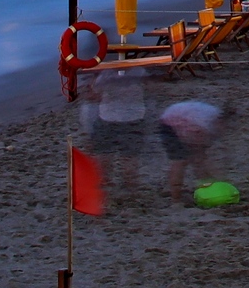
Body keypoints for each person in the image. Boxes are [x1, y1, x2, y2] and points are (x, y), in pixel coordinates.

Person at [78, 64, 145, 192]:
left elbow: (95, 93)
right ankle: (130, 186)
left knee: (104, 155)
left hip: (108, 118)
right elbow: (149, 89)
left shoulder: (106, 74)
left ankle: (105, 182)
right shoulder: (139, 71)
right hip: (134, 118)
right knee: (130, 157)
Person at [159, 98, 224, 200]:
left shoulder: (212, 116)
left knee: (195, 160)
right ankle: (176, 198)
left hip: (173, 118)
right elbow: (199, 151)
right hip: (173, 122)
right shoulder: (207, 123)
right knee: (181, 161)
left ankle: (204, 189)